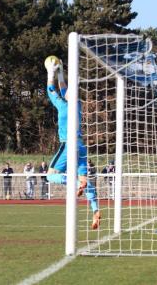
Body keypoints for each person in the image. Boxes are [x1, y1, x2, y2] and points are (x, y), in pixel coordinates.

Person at [44, 56, 101, 230]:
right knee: (87, 182)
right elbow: (65, 90)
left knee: (50, 175)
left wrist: (51, 73)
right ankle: (95, 210)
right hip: (81, 146)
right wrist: (62, 74)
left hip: (68, 145)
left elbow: (50, 89)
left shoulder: (62, 106)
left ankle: (76, 183)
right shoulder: (77, 104)